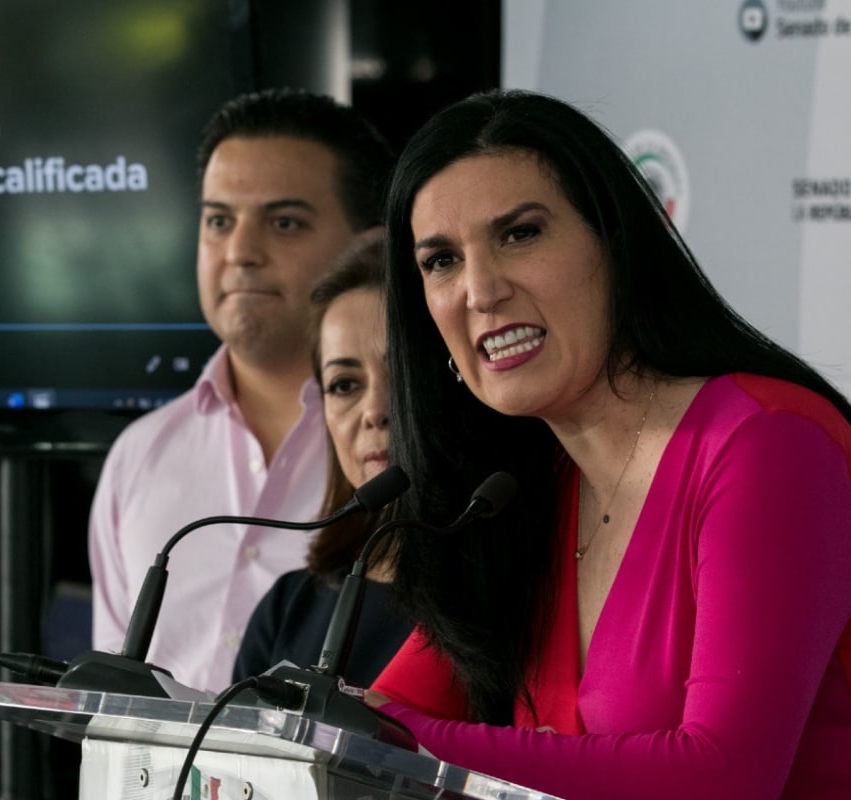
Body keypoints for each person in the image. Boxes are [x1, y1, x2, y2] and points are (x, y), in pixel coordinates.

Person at [362, 88, 851, 799]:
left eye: (520, 234)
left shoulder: (768, 444)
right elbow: (380, 715)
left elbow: (725, 778)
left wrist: (403, 745)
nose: (480, 289)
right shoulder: (516, 492)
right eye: (440, 261)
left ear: (615, 243)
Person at [88, 87, 394, 692]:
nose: (240, 253)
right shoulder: (140, 453)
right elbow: (107, 712)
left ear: (368, 245)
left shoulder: (393, 448)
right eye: (219, 221)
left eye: (284, 222)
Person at [232, 230, 412, 689]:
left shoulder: (517, 605)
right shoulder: (288, 606)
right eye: (345, 385)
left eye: (404, 375)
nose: (375, 411)